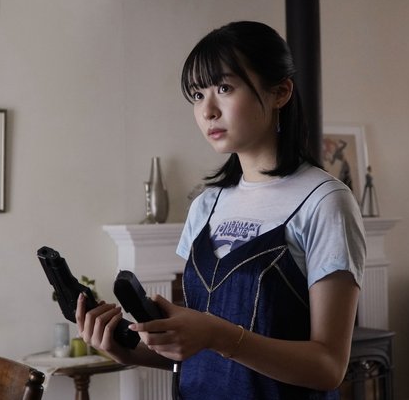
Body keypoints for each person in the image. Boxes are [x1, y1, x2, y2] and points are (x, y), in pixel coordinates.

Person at [77, 21, 366, 399]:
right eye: (197, 94)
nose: (208, 110)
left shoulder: (324, 202)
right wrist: (125, 349)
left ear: (280, 92)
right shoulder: (206, 205)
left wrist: (217, 334)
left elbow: (328, 367)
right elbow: (198, 354)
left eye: (225, 88)